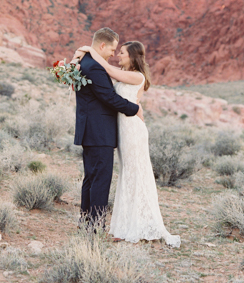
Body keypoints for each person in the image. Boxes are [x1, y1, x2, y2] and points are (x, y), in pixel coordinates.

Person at [73, 40, 181, 248]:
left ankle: (140, 225)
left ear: (132, 56)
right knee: (127, 174)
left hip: (132, 130)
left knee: (135, 173)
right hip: (121, 130)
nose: (118, 55)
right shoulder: (124, 74)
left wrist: (89, 51)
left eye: (122, 52)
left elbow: (106, 68)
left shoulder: (136, 76)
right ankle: (126, 225)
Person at [72, 27, 143, 230]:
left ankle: (86, 220)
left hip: (90, 130)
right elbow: (109, 98)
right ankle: (95, 225)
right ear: (102, 45)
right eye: (112, 49)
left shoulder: (84, 62)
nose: (113, 54)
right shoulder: (93, 66)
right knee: (101, 179)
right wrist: (134, 108)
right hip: (99, 131)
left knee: (91, 178)